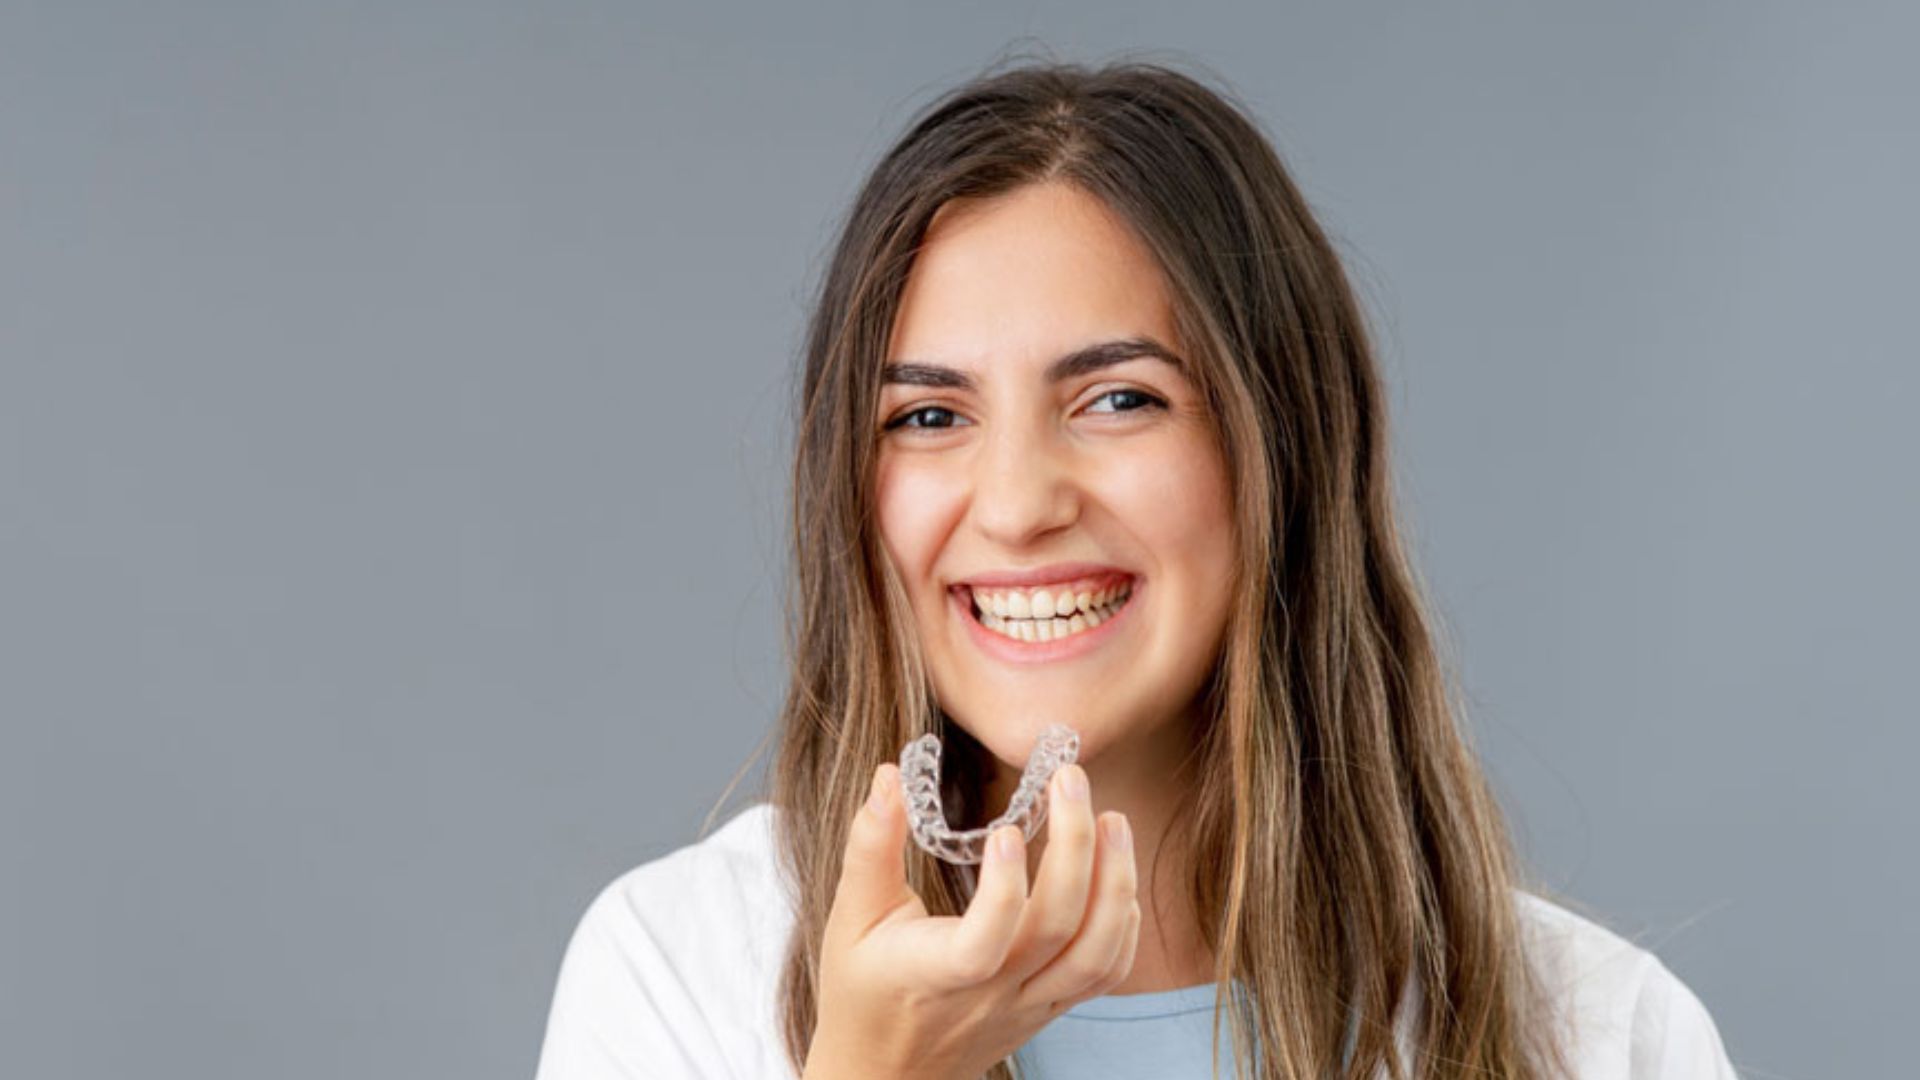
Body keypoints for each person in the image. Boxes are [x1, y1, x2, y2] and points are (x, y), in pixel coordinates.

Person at [533, 56, 1742, 1079]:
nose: (1017, 507)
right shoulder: (674, 971)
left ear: (1284, 449)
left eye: (1119, 399)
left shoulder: (1609, 1037)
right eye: (929, 417)